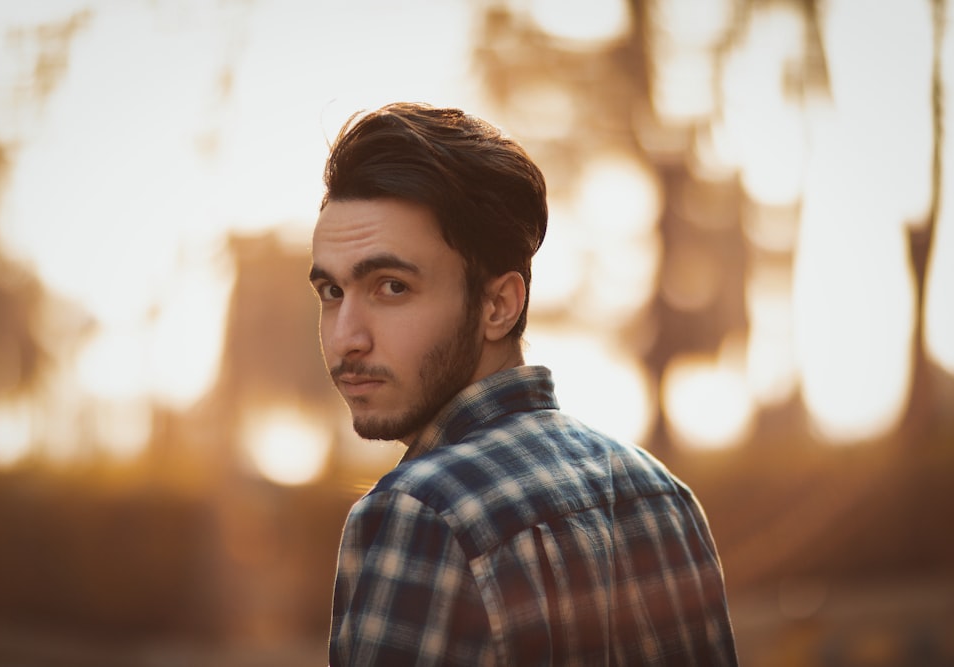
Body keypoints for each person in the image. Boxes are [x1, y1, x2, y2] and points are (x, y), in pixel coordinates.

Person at [309, 102, 738, 666]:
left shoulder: (420, 512)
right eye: (331, 293)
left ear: (498, 305)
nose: (346, 338)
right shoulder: (662, 495)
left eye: (391, 287)